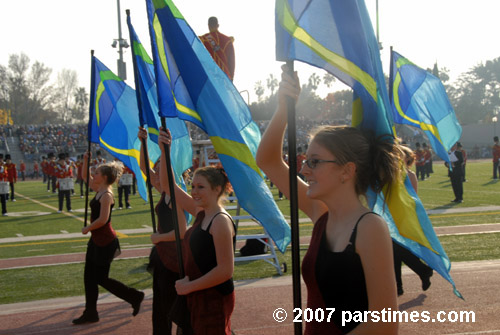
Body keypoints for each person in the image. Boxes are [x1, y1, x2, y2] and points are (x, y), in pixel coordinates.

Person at [256, 65, 399, 334]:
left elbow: (386, 324)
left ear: (347, 170)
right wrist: (284, 110)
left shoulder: (369, 228)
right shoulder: (321, 214)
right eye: (305, 160)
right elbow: (267, 160)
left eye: (315, 162)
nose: (304, 169)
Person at [158, 128, 236, 335]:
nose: (194, 192)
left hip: (213, 298)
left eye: (200, 187)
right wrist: (164, 150)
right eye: (193, 186)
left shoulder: (220, 221)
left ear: (217, 190)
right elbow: (167, 185)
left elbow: (225, 270)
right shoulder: (201, 211)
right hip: (195, 294)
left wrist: (190, 286)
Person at [72, 152, 145, 325]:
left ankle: (134, 295)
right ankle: (90, 312)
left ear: (104, 177)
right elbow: (84, 176)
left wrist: (88, 228)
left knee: (100, 278)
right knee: (89, 278)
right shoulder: (99, 190)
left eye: (96, 173)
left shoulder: (106, 195)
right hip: (96, 241)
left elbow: (103, 220)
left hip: (105, 242)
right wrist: (84, 160)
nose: (93, 175)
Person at [138, 127, 191, 334]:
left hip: (174, 258)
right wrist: (142, 142)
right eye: (157, 167)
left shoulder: (177, 194)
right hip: (162, 255)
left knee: (171, 306)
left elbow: (181, 231)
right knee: (159, 305)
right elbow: (144, 168)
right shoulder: (164, 191)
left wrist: (158, 237)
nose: (156, 172)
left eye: (160, 168)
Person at [393, 146, 433, 296]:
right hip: (395, 216)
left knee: (396, 249)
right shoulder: (400, 175)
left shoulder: (408, 176)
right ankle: (399, 285)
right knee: (394, 250)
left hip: (403, 217)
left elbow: (413, 199)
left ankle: (422, 271)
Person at [200, 16, 235, 81]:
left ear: (208, 25)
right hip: (225, 77)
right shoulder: (227, 40)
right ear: (218, 25)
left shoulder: (203, 40)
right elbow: (232, 62)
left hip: (211, 76)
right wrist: (231, 78)